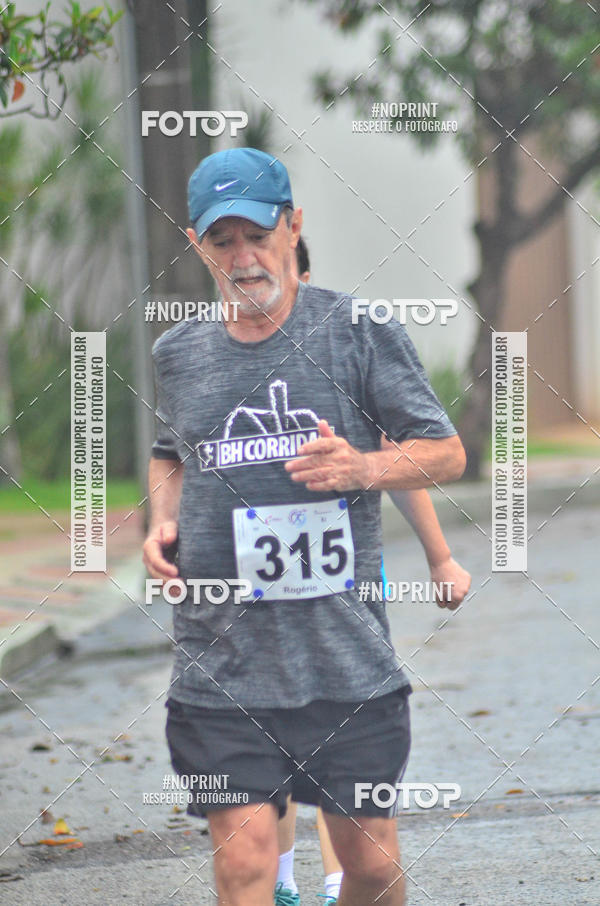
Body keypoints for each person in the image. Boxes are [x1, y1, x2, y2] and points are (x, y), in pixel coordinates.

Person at [143, 147, 466, 906]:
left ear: (293, 227)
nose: (242, 257)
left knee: (371, 867)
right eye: (222, 241)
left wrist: (363, 468)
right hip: (222, 664)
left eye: (258, 235)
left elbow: (446, 453)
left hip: (344, 662)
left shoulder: (357, 331)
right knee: (245, 862)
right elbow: (169, 455)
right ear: (197, 245)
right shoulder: (178, 353)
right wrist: (161, 523)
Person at [273, 238, 471, 906]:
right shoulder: (225, 358)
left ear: (305, 278)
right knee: (266, 736)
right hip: (257, 596)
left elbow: (404, 465)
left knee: (339, 735)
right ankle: (278, 881)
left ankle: (340, 880)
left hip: (345, 588)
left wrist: (440, 558)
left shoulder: (345, 358)